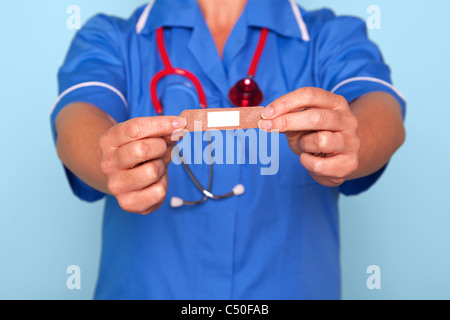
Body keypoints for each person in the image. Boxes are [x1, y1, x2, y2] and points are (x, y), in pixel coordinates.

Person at [51, 0, 406, 300]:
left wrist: (352, 136)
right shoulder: (111, 37)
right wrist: (110, 160)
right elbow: (78, 119)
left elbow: (380, 109)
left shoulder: (330, 37)